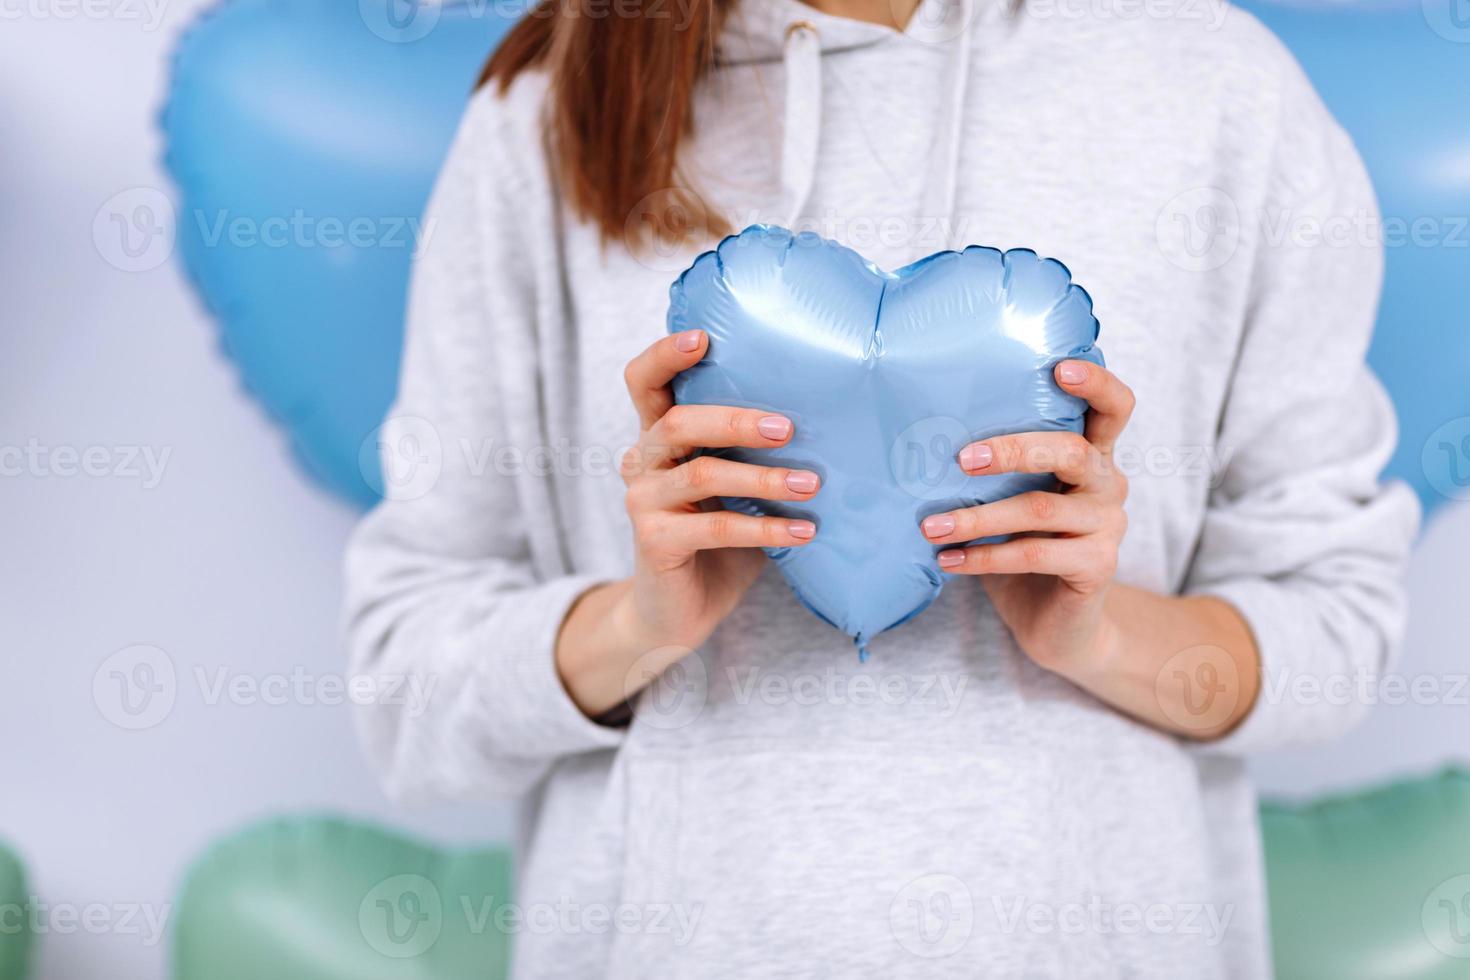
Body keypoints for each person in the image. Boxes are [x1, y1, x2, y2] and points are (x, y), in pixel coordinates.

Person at [343, 0, 1419, 973]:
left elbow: (1336, 625)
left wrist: (1097, 637)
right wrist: (636, 624)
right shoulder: (546, 113)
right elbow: (404, 685)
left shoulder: (1220, 86)